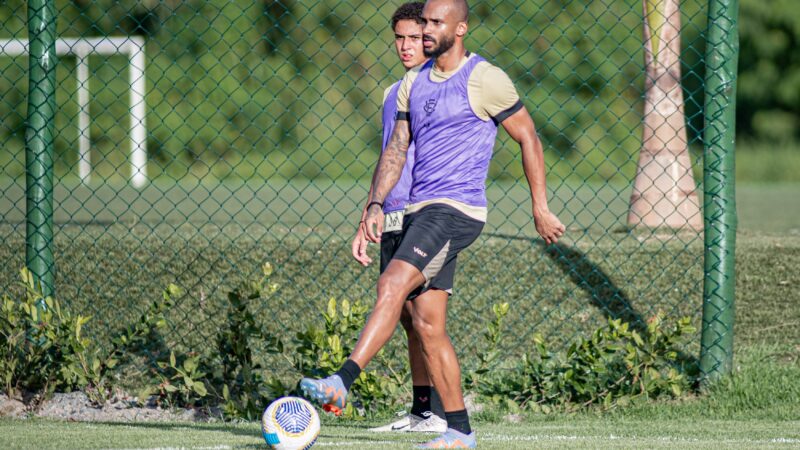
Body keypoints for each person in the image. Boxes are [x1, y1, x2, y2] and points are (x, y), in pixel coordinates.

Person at [302, 0, 565, 447]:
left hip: (457, 209)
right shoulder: (413, 83)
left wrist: (539, 205)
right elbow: (396, 148)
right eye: (422, 21)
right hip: (421, 210)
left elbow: (528, 136)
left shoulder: (485, 79)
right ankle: (459, 431)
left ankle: (342, 381)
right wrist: (374, 205)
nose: (425, 30)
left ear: (459, 29)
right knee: (427, 325)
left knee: (392, 284)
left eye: (434, 23)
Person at [350, 1, 447, 434]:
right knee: (408, 318)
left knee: (426, 318)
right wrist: (371, 207)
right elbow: (390, 155)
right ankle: (423, 412)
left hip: (428, 213)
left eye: (414, 37)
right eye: (399, 38)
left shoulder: (443, 87)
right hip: (393, 213)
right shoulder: (394, 92)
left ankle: (446, 413)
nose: (406, 46)